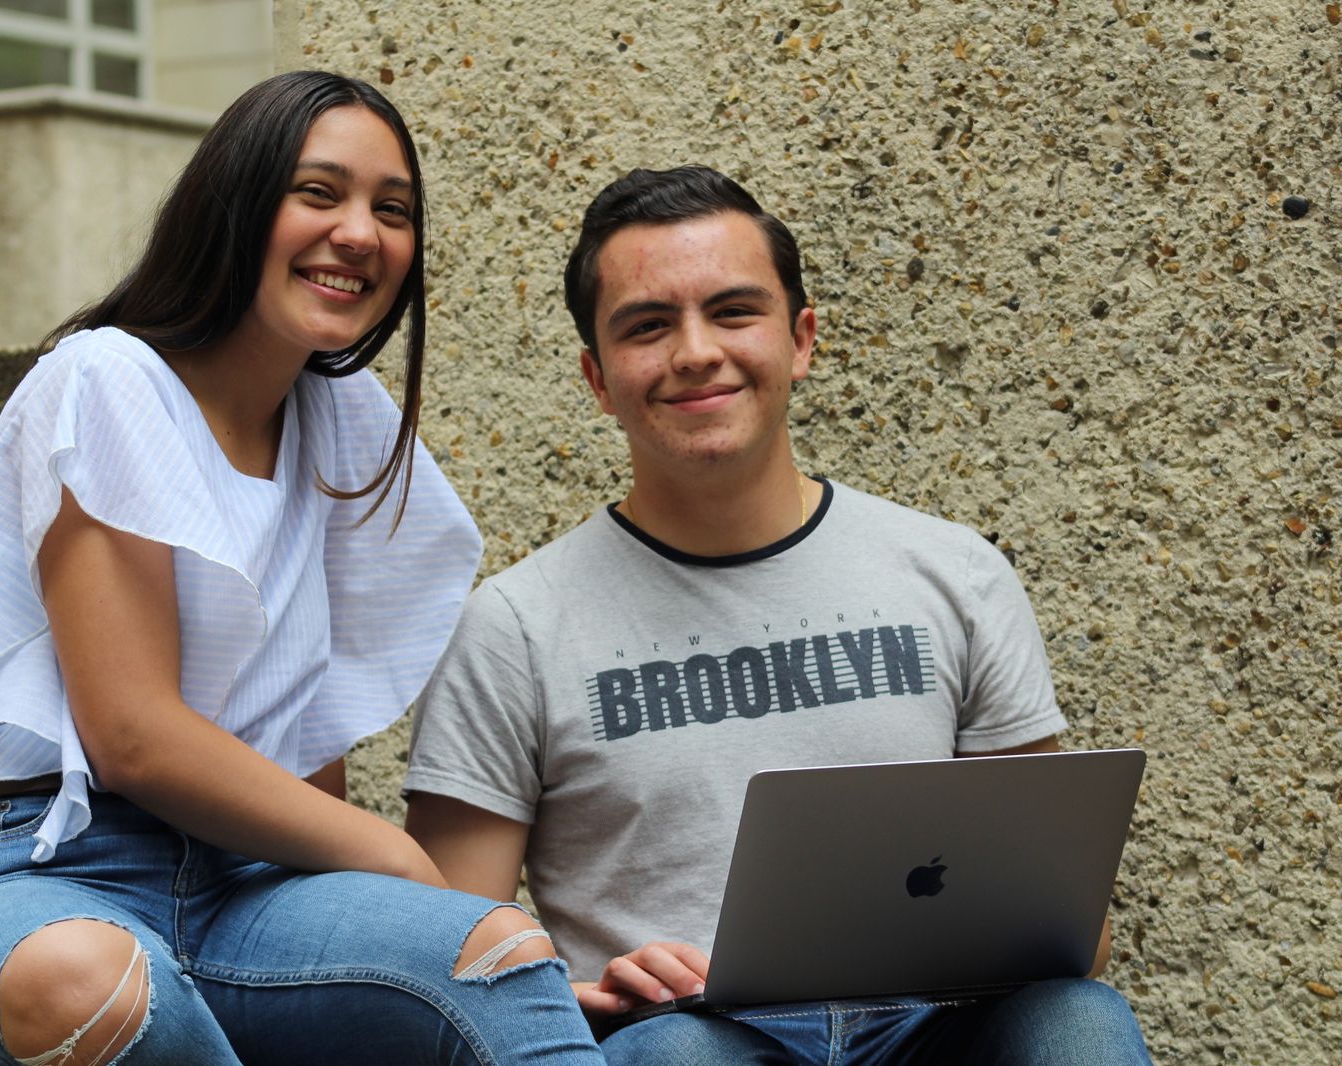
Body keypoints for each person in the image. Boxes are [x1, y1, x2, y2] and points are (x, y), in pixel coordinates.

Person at [0, 71, 604, 1066]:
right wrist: (390, 858)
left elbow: (307, 746)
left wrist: (388, 910)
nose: (361, 233)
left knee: (496, 950)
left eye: (393, 211)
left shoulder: (343, 426)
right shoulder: (108, 379)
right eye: (319, 193)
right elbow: (132, 737)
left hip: (236, 890)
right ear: (236, 202)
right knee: (90, 985)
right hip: (24, 864)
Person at [404, 165, 1152, 1064]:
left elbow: (1077, 932)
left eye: (732, 312)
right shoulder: (514, 628)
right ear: (598, 379)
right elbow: (454, 967)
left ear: (800, 340)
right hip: (682, 1037)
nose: (695, 352)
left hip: (935, 1027)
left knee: (1083, 1020)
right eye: (648, 326)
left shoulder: (954, 575)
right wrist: (587, 998)